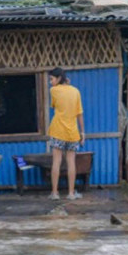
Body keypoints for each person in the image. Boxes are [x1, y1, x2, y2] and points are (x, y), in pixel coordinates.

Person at [47, 67, 85, 200]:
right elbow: (79, 113)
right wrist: (82, 132)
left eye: (51, 79)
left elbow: (54, 106)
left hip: (58, 131)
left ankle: (55, 193)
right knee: (71, 163)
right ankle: (70, 193)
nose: (50, 82)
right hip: (73, 133)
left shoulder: (54, 91)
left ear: (58, 78)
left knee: (56, 162)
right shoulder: (76, 91)